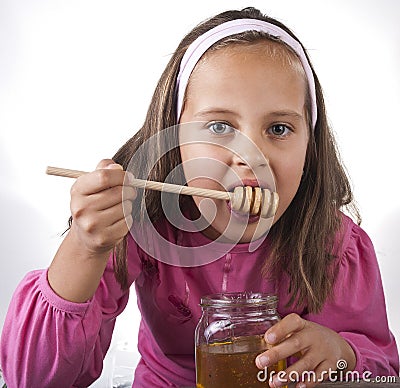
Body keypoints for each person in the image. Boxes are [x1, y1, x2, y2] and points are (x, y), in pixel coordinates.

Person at [1, 7, 398, 388]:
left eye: (278, 128)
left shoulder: (334, 245)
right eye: (220, 126)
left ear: (310, 148)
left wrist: (344, 355)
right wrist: (85, 248)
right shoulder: (138, 226)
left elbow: (383, 373)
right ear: (176, 138)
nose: (251, 157)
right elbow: (33, 379)